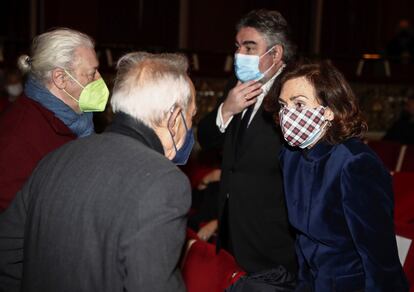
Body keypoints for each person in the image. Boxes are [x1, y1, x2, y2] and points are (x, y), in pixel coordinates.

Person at [0, 52, 196, 292]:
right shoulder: (164, 181)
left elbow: (7, 254)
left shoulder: (57, 158)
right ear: (175, 117)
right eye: (191, 116)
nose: (191, 126)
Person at [275, 60, 408, 291]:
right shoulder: (290, 156)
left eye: (298, 104)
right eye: (283, 105)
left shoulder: (356, 163)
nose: (288, 114)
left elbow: (379, 256)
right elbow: (302, 239)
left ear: (329, 111)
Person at [197, 9, 298, 288]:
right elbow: (206, 137)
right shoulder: (237, 84)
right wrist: (226, 110)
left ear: (275, 54)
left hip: (273, 240)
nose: (239, 54)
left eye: (249, 47)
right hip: (231, 232)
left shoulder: (296, 92)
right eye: (238, 46)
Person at [0, 28, 109, 212]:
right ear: (60, 78)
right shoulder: (17, 137)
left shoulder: (79, 121)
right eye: (92, 74)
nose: (100, 80)